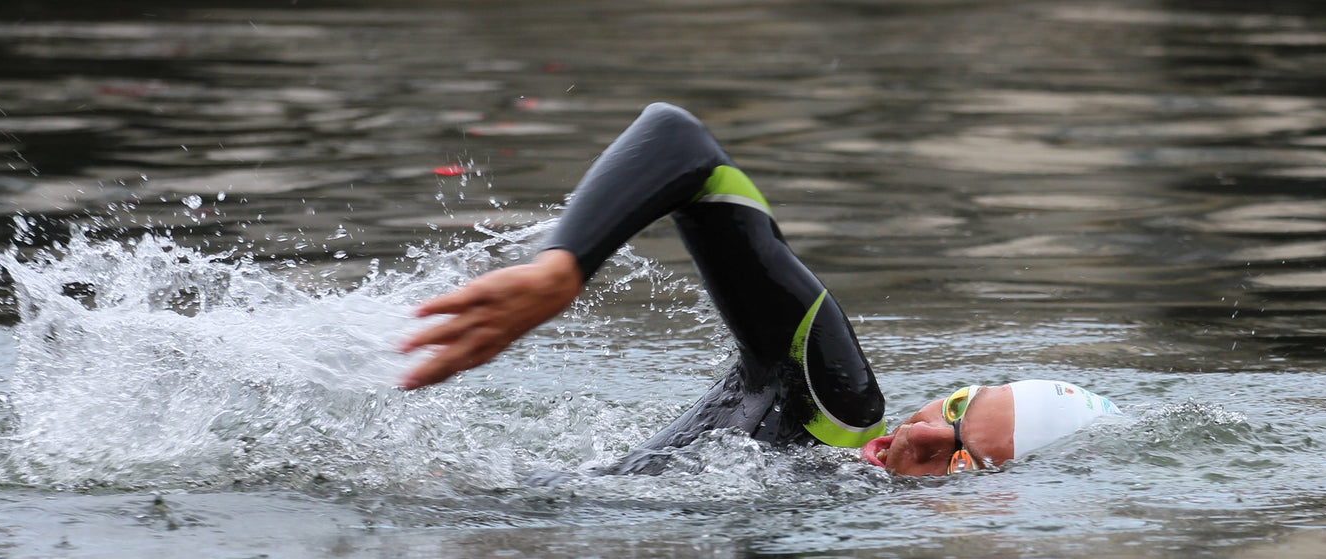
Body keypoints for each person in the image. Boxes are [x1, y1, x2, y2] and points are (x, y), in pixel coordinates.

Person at [400, 103, 1119, 477]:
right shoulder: (834, 407)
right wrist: (561, 268)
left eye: (961, 460)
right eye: (954, 407)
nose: (920, 434)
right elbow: (680, 142)